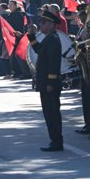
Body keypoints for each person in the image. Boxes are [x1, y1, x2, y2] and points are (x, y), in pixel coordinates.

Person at [27, 10, 64, 152]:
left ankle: (56, 141)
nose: (41, 26)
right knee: (48, 113)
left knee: (52, 113)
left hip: (50, 84)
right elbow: (39, 50)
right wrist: (31, 35)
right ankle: (54, 140)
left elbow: (54, 63)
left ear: (51, 24)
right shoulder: (49, 38)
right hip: (45, 82)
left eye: (43, 23)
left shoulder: (53, 39)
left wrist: (50, 82)